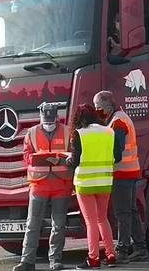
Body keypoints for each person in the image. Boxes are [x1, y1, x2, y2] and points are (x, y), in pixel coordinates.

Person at [13, 103, 72, 271]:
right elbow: (25, 156)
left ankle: (55, 260)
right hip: (39, 185)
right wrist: (37, 158)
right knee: (32, 223)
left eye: (51, 121)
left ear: (57, 118)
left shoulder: (68, 132)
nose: (49, 124)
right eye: (46, 121)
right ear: (40, 118)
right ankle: (27, 261)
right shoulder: (31, 133)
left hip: (62, 185)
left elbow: (74, 154)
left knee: (59, 224)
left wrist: (63, 159)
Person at [94, 91, 149, 263]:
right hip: (130, 171)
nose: (97, 111)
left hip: (122, 173)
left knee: (122, 212)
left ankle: (123, 250)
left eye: (98, 107)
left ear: (108, 106)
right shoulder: (120, 118)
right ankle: (140, 247)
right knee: (131, 211)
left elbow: (116, 151)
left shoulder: (117, 122)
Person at [67, 104, 118, 269]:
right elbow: (116, 156)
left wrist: (65, 160)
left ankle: (93, 258)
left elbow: (74, 161)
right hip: (105, 182)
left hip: (85, 183)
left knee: (91, 222)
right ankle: (111, 255)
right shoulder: (109, 131)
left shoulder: (79, 134)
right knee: (103, 219)